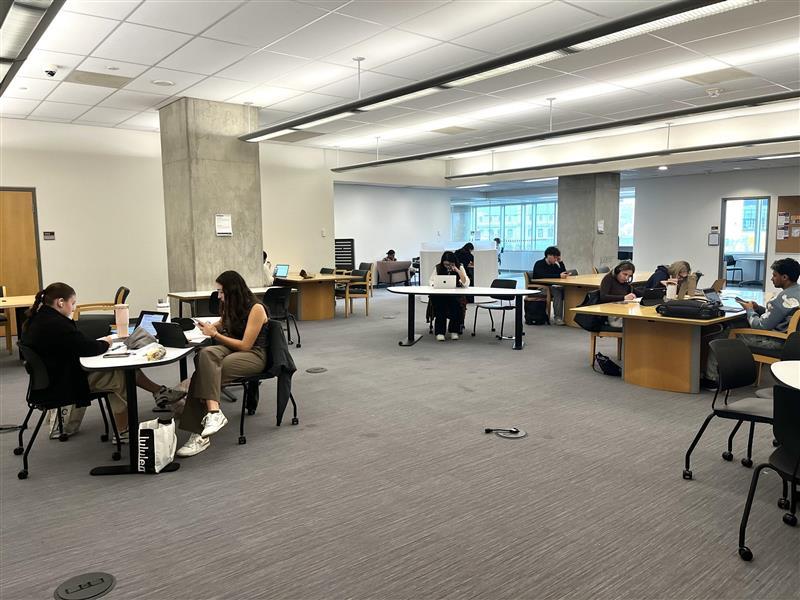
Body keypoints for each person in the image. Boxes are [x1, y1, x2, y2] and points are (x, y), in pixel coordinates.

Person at [21, 282, 184, 439]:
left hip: (53, 378)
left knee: (120, 369)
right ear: (60, 302)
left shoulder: (40, 318)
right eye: (73, 303)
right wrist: (107, 342)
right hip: (63, 382)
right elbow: (86, 348)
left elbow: (75, 344)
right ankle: (124, 430)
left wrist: (98, 343)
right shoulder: (56, 324)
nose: (74, 307)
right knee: (119, 375)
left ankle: (159, 392)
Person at [177, 270, 270, 457]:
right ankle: (213, 413)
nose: (218, 296)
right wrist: (211, 327)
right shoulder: (231, 305)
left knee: (205, 374)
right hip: (233, 349)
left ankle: (199, 436)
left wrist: (215, 335)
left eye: (221, 292)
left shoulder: (256, 309)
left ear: (233, 291)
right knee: (205, 354)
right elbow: (222, 323)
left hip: (254, 354)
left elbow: (245, 345)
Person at [703, 257, 800, 385]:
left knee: (724, 334)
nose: (771, 279)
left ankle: (712, 379)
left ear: (785, 277)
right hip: (793, 341)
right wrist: (757, 308)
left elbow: (760, 326)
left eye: (774, 275)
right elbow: (778, 316)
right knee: (737, 324)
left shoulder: (782, 298)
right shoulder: (796, 292)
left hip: (776, 341)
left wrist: (749, 311)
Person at [428, 251, 469, 341]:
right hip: (440, 294)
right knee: (440, 309)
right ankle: (440, 332)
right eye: (446, 264)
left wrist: (458, 271)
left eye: (450, 264)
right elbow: (431, 281)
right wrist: (436, 284)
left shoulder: (460, 267)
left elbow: (466, 282)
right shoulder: (438, 267)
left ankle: (454, 331)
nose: (448, 266)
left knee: (456, 307)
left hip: (455, 294)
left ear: (454, 262)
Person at [532, 246, 570, 325]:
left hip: (550, 287)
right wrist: (559, 276)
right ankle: (558, 317)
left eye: (557, 258)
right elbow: (542, 275)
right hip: (539, 288)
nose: (556, 259)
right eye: (555, 257)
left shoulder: (554, 265)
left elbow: (562, 272)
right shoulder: (539, 264)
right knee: (557, 292)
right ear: (549, 255)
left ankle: (570, 316)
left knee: (569, 291)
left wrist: (560, 262)